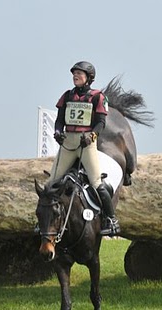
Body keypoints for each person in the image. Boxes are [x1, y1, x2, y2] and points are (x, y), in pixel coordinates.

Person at [50, 61, 119, 236]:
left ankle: (111, 220)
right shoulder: (67, 96)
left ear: (89, 78)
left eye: (79, 74)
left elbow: (101, 123)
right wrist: (58, 131)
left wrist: (92, 136)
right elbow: (59, 120)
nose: (75, 76)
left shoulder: (98, 97)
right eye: (74, 73)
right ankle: (44, 222)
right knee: (51, 183)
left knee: (97, 183)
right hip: (68, 143)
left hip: (86, 143)